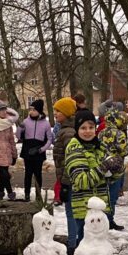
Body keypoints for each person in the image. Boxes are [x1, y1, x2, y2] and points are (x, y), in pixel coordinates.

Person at [65, 109, 116, 252]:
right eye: (83, 128)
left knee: (99, 252)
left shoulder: (99, 146)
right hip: (84, 210)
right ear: (77, 129)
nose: (87, 131)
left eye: (91, 127)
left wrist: (117, 169)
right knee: (86, 254)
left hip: (100, 209)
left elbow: (110, 177)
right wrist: (102, 168)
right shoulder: (74, 148)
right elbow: (81, 181)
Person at [99, 103, 128, 229]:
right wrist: (127, 147)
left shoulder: (101, 132)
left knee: (104, 194)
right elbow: (123, 151)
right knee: (113, 195)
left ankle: (104, 220)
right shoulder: (119, 134)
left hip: (103, 166)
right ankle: (109, 220)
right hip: (116, 167)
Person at [17, 99, 53, 201]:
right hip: (27, 149)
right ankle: (27, 194)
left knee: (38, 174)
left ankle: (38, 195)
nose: (31, 111)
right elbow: (19, 136)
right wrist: (20, 128)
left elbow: (50, 139)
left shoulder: (46, 123)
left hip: (38, 150)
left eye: (33, 109)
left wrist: (42, 149)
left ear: (39, 111)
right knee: (28, 173)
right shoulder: (26, 121)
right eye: (30, 109)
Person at [52, 96, 78, 233]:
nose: (55, 113)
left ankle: (73, 244)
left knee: (71, 212)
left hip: (70, 181)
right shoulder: (64, 129)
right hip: (66, 179)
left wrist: (66, 184)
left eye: (58, 111)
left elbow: (71, 159)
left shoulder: (68, 132)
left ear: (67, 113)